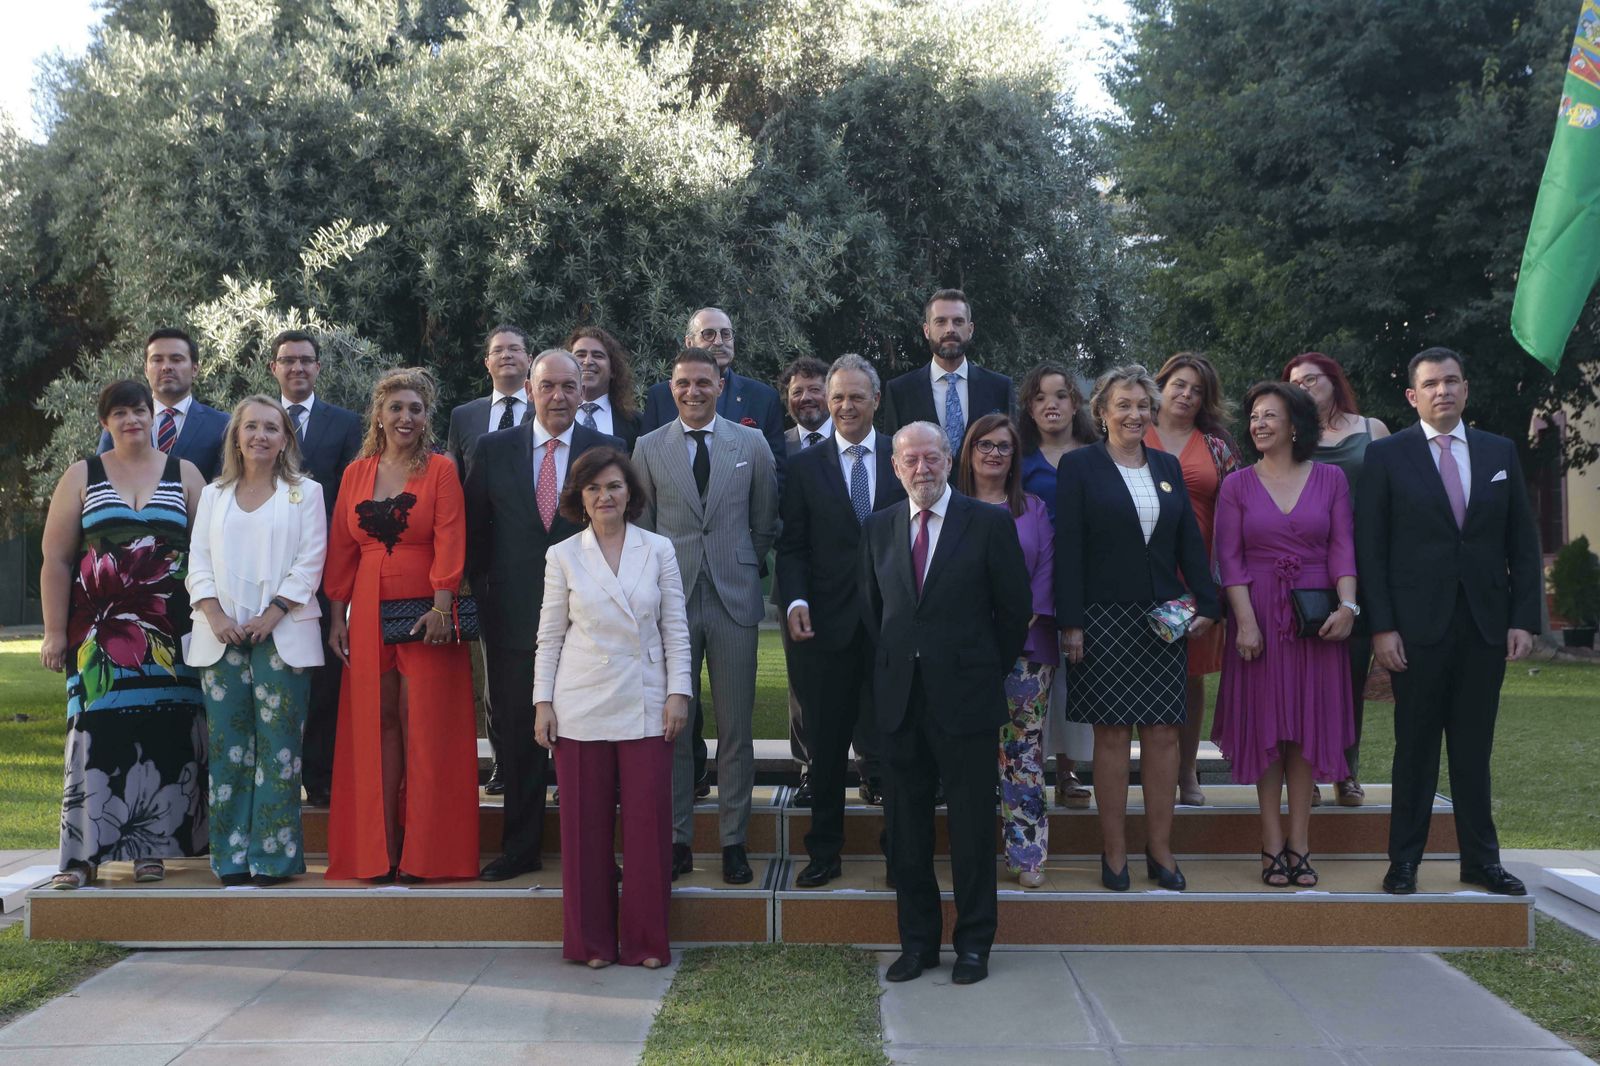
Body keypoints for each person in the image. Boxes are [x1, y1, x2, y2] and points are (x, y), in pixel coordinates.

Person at [1358, 347, 1540, 897]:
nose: (1444, 391)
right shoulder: (1386, 456)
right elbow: (1372, 550)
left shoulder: (1498, 451)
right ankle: (1404, 862)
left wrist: (1523, 619)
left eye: (1453, 381)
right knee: (1414, 750)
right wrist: (1382, 627)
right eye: (1432, 383)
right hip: (1415, 631)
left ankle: (1482, 862)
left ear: (1466, 389)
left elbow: (1522, 543)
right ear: (1412, 396)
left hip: (1485, 627)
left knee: (1473, 750)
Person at [862, 421, 1029, 985]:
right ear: (895, 467)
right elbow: (873, 611)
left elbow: (1013, 611)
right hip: (900, 702)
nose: (921, 468)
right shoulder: (879, 526)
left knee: (972, 828)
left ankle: (974, 944)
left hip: (967, 699)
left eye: (931, 457)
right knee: (906, 831)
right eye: (910, 459)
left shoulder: (988, 523)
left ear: (948, 460)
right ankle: (918, 944)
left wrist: (979, 670)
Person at [1054, 365, 1220, 893]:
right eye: (1123, 405)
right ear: (1102, 412)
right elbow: (1068, 548)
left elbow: (1188, 542)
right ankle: (1114, 850)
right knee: (1110, 735)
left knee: (1164, 734)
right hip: (1101, 619)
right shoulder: (1079, 466)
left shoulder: (1167, 465)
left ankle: (1160, 849)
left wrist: (1209, 601)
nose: (1135, 414)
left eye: (1143, 405)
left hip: (1162, 621)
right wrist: (1071, 622)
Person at [40, 379, 208, 888]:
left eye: (139, 410)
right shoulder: (81, 475)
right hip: (98, 630)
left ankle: (152, 850)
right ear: (105, 422)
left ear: (153, 417)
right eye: (120, 412)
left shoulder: (185, 473)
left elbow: (210, 553)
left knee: (165, 729)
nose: (132, 419)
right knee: (94, 732)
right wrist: (53, 631)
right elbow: (55, 560)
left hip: (171, 630)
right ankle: (81, 858)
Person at [465, 349, 622, 881]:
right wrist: (487, 597)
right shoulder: (493, 448)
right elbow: (477, 533)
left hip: (587, 622)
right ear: (529, 390)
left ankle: (596, 855)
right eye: (548, 386)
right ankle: (521, 848)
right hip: (512, 617)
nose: (558, 396)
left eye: (569, 387)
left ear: (583, 392)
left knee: (591, 741)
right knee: (518, 736)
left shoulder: (607, 451)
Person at [534, 448, 691, 968]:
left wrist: (678, 692)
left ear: (631, 494)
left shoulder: (659, 549)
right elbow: (550, 636)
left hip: (647, 701)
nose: (605, 496)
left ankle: (646, 942)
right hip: (580, 703)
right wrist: (542, 703)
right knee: (584, 832)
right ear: (580, 498)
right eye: (594, 488)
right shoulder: (562, 555)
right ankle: (591, 943)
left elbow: (675, 627)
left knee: (648, 828)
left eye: (615, 486)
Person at [323, 367, 479, 882]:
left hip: (427, 607)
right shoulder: (356, 473)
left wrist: (442, 606)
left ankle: (426, 854)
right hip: (366, 606)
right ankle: (379, 851)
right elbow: (342, 547)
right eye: (396, 408)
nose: (405, 417)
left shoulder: (440, 470)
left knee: (425, 725)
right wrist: (337, 616)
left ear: (426, 417)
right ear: (379, 415)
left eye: (416, 409)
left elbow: (451, 535)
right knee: (378, 722)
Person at [632, 346, 779, 884]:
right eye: (683, 383)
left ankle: (734, 840)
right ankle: (678, 839)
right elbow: (643, 527)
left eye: (702, 382)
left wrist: (739, 562)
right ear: (671, 388)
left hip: (733, 598)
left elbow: (765, 521)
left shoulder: (752, 444)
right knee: (674, 726)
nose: (693, 391)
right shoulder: (648, 447)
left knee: (736, 728)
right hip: (670, 600)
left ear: (720, 385)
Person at [1211, 383, 1356, 888]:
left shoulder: (1332, 479)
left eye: (1269, 415)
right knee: (1268, 732)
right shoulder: (1236, 485)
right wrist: (1245, 621)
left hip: (1315, 620)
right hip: (1257, 616)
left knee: (1307, 733)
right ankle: (1271, 844)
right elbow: (1229, 560)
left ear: (1296, 425)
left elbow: (1342, 548)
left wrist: (1349, 607)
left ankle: (1301, 845)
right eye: (1254, 416)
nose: (1259, 424)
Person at [186, 396, 328, 885]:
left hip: (283, 635)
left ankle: (272, 857)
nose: (259, 436)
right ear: (236, 436)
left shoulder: (306, 493)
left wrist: (273, 614)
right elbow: (197, 562)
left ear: (285, 438)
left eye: (271, 427)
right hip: (220, 636)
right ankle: (230, 859)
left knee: (279, 751)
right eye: (250, 427)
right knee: (228, 750)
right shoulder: (214, 495)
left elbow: (311, 560)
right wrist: (214, 613)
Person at [778, 354, 905, 888]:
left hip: (893, 628)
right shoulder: (805, 466)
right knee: (826, 750)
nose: (846, 406)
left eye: (856, 396)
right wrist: (794, 601)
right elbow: (792, 547)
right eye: (837, 398)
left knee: (894, 746)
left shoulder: (903, 456)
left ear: (875, 400)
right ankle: (824, 852)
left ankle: (900, 850)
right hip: (826, 630)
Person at [1283, 351, 1391, 807]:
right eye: (1295, 382)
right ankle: (1303, 774)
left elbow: (1394, 495)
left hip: (1362, 566)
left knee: (1350, 676)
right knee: (1302, 678)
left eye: (1312, 379)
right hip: (1303, 568)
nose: (1305, 387)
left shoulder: (1373, 429)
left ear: (1333, 380)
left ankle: (1346, 771)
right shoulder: (1289, 436)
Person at [956, 413, 1056, 888]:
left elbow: (1047, 569)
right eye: (985, 445)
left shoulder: (1033, 508)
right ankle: (971, 853)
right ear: (968, 452)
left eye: (1004, 446)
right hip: (963, 648)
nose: (994, 453)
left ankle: (1027, 854)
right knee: (967, 752)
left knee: (1021, 752)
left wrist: (1020, 616)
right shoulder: (950, 506)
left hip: (1026, 648)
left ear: (1015, 456)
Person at [270, 329, 362, 809]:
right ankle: (277, 775)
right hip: (266, 567)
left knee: (325, 676)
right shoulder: (257, 421)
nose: (297, 368)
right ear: (274, 368)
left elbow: (352, 496)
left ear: (318, 368)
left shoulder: (346, 424)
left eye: (306, 360)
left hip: (327, 566)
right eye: (288, 360)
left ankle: (321, 777)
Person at [1146, 352, 1243, 807]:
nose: (1186, 395)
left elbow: (1237, 512)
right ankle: (1151, 771)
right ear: (1161, 385)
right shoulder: (1131, 431)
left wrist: (1223, 585)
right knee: (1138, 671)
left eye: (1197, 390)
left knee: (1190, 676)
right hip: (1142, 571)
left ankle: (1186, 770)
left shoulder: (1217, 447)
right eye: (1179, 385)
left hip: (1199, 576)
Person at [444, 323, 533, 796]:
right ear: (487, 362)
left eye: (516, 349)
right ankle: (503, 760)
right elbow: (455, 487)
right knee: (495, 670)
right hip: (486, 561)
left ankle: (552, 761)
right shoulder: (465, 416)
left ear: (529, 360)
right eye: (498, 350)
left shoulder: (547, 407)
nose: (507, 356)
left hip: (538, 555)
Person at [1017, 363, 1099, 811]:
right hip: (1033, 582)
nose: (1051, 404)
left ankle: (1068, 771)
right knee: (1035, 678)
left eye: (1061, 395)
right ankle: (1030, 770)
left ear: (1076, 403)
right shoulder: (1020, 459)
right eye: (1041, 397)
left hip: (1087, 580)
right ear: (1029, 408)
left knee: (1075, 677)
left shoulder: (1097, 454)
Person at [776, 355, 832, 803]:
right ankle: (810, 766)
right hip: (797, 581)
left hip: (856, 582)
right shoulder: (776, 447)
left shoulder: (864, 444)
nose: (807, 398)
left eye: (816, 389)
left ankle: (870, 766)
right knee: (803, 684)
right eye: (798, 391)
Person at [639, 307, 786, 473]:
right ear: (689, 343)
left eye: (726, 334)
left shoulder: (763, 398)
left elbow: (775, 471)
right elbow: (648, 464)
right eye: (708, 334)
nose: (719, 342)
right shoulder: (660, 397)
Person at [880, 289, 1015, 469]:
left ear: (970, 329)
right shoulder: (900, 391)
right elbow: (894, 457)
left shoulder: (999, 387)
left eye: (958, 321)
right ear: (927, 330)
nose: (950, 329)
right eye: (941, 321)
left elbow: (1011, 451)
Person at [97, 328, 229, 482]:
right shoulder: (121, 422)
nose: (166, 367)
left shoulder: (222, 425)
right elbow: (100, 478)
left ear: (194, 369)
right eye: (157, 360)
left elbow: (225, 486)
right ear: (146, 370)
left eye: (176, 359)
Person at [567, 325, 644, 452]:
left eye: (597, 355)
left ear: (613, 369)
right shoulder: (552, 416)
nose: (588, 361)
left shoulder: (636, 423)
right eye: (580, 355)